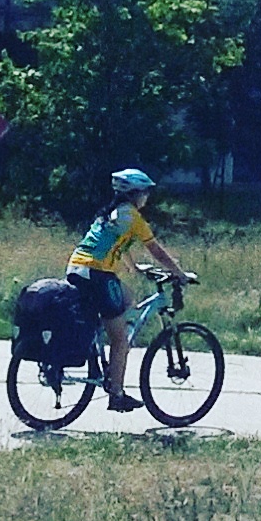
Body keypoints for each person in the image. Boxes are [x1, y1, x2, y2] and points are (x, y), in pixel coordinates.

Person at [67, 167, 190, 411]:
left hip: (78, 268)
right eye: (145, 192)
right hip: (98, 274)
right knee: (121, 338)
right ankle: (117, 394)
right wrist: (180, 273)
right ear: (135, 194)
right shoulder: (133, 217)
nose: (147, 197)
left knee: (127, 297)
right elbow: (156, 250)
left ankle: (103, 351)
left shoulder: (109, 213)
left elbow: (116, 244)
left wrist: (134, 267)